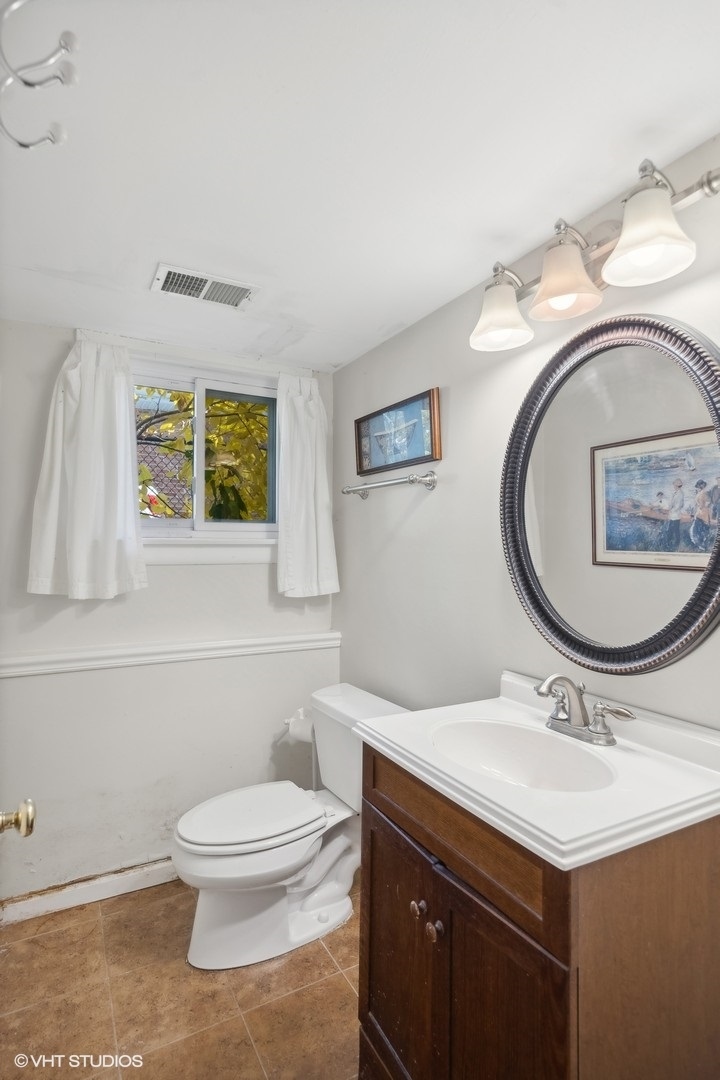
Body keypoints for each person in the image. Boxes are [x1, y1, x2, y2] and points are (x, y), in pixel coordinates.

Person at [690, 479, 712, 551]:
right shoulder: (701, 493)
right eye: (700, 485)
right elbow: (707, 502)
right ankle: (702, 545)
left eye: (701, 485)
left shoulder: (702, 493)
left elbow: (705, 503)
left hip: (702, 513)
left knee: (695, 531)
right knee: (701, 531)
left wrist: (701, 506)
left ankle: (701, 546)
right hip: (702, 513)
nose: (700, 486)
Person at [665, 478, 684, 550]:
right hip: (673, 514)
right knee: (671, 529)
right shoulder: (676, 493)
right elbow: (673, 504)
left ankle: (675, 544)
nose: (673, 486)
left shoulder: (680, 494)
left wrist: (671, 510)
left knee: (675, 530)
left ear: (677, 485)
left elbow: (679, 505)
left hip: (675, 515)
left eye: (674, 485)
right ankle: (669, 543)